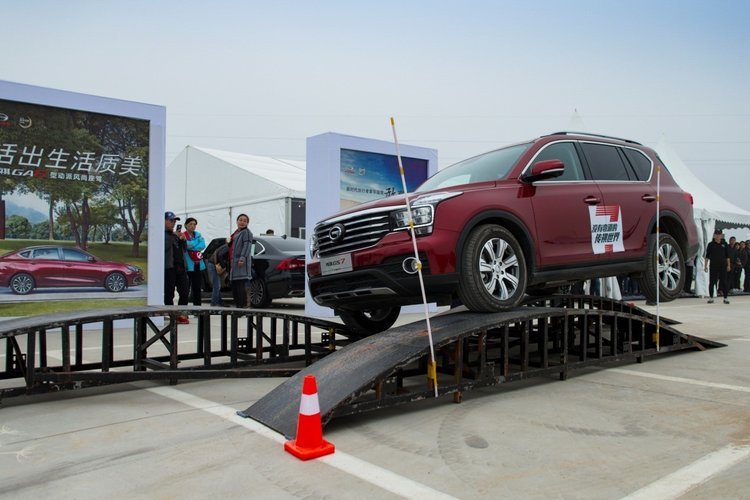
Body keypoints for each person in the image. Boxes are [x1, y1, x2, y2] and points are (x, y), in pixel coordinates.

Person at [164, 211, 190, 323]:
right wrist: (174, 236)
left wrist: (183, 240)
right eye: (171, 221)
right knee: (169, 293)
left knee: (184, 291)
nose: (173, 223)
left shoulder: (175, 235)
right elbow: (164, 247)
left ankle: (181, 313)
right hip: (169, 267)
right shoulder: (162, 235)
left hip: (181, 267)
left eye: (174, 221)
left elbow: (184, 249)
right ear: (164, 221)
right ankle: (172, 314)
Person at [229, 213, 254, 307]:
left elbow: (247, 246)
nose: (242, 222)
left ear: (247, 223)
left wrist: (242, 258)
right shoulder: (236, 232)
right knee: (235, 285)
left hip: (241, 263)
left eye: (245, 221)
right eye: (240, 220)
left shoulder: (246, 232)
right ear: (237, 221)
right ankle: (238, 307)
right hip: (234, 263)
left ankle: (242, 307)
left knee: (240, 285)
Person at [182, 217, 206, 306]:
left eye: (194, 224)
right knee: (186, 288)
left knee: (197, 287)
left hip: (198, 264)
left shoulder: (198, 234)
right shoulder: (183, 235)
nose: (192, 226)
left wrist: (193, 246)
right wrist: (195, 244)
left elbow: (203, 245)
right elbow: (187, 245)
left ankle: (198, 308)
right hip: (188, 265)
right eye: (190, 224)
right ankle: (185, 308)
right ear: (186, 225)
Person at [704, 229, 730, 304]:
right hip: (713, 265)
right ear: (714, 235)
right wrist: (705, 266)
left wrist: (728, 265)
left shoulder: (724, 244)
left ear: (721, 235)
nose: (718, 236)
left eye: (719, 234)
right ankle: (711, 297)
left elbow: (727, 256)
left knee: (724, 282)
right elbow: (707, 256)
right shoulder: (710, 244)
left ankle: (725, 298)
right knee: (712, 282)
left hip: (723, 266)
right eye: (716, 234)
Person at [207, 242, 229, 306]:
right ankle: (214, 302)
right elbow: (220, 255)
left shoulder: (226, 246)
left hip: (213, 264)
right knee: (217, 285)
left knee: (217, 284)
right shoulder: (227, 247)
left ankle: (219, 301)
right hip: (213, 265)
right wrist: (223, 266)